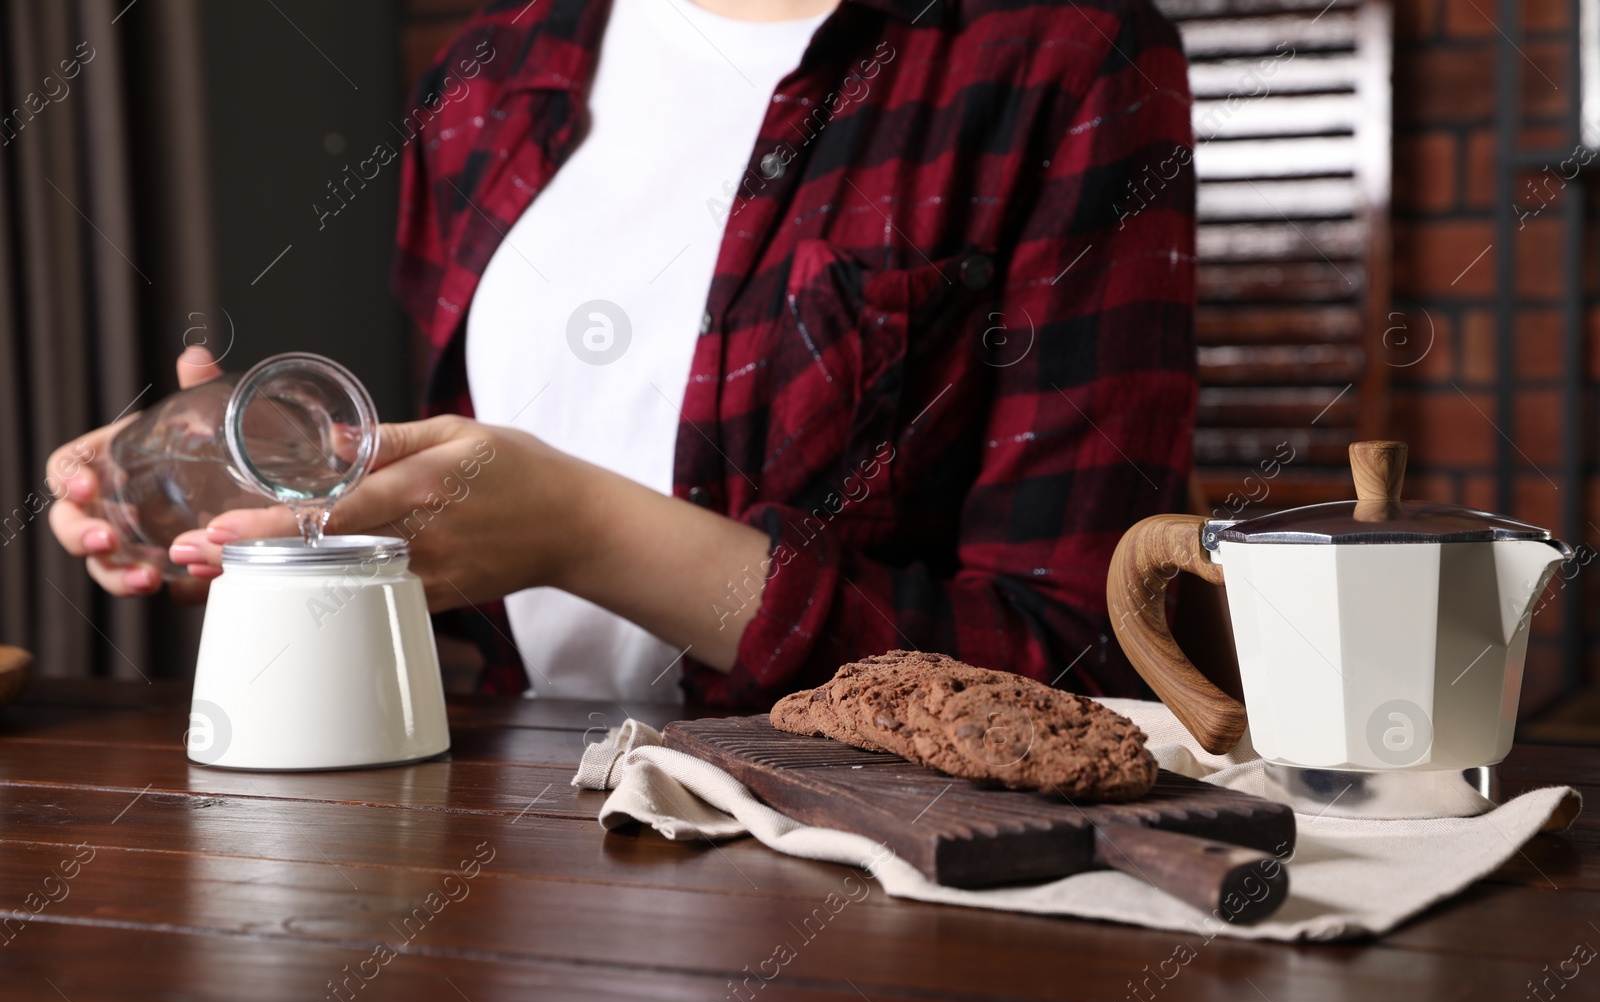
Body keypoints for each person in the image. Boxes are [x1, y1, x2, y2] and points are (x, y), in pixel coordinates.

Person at [47, 0, 1197, 708]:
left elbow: (1091, 660)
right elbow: (489, 587)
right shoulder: (488, 74)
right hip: (522, 844)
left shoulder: (1064, 52)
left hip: (867, 887)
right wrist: (288, 517)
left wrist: (584, 532)